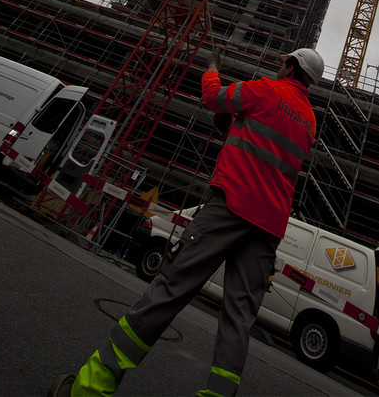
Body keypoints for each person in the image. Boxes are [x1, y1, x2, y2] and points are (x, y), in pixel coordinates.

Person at [48, 46, 324, 397]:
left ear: (291, 66)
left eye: (282, 63)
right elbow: (268, 153)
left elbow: (213, 97)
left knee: (170, 288)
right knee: (239, 319)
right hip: (269, 227)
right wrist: (237, 129)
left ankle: (92, 387)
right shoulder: (309, 121)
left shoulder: (265, 89)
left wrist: (211, 70)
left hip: (231, 206)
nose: (278, 66)